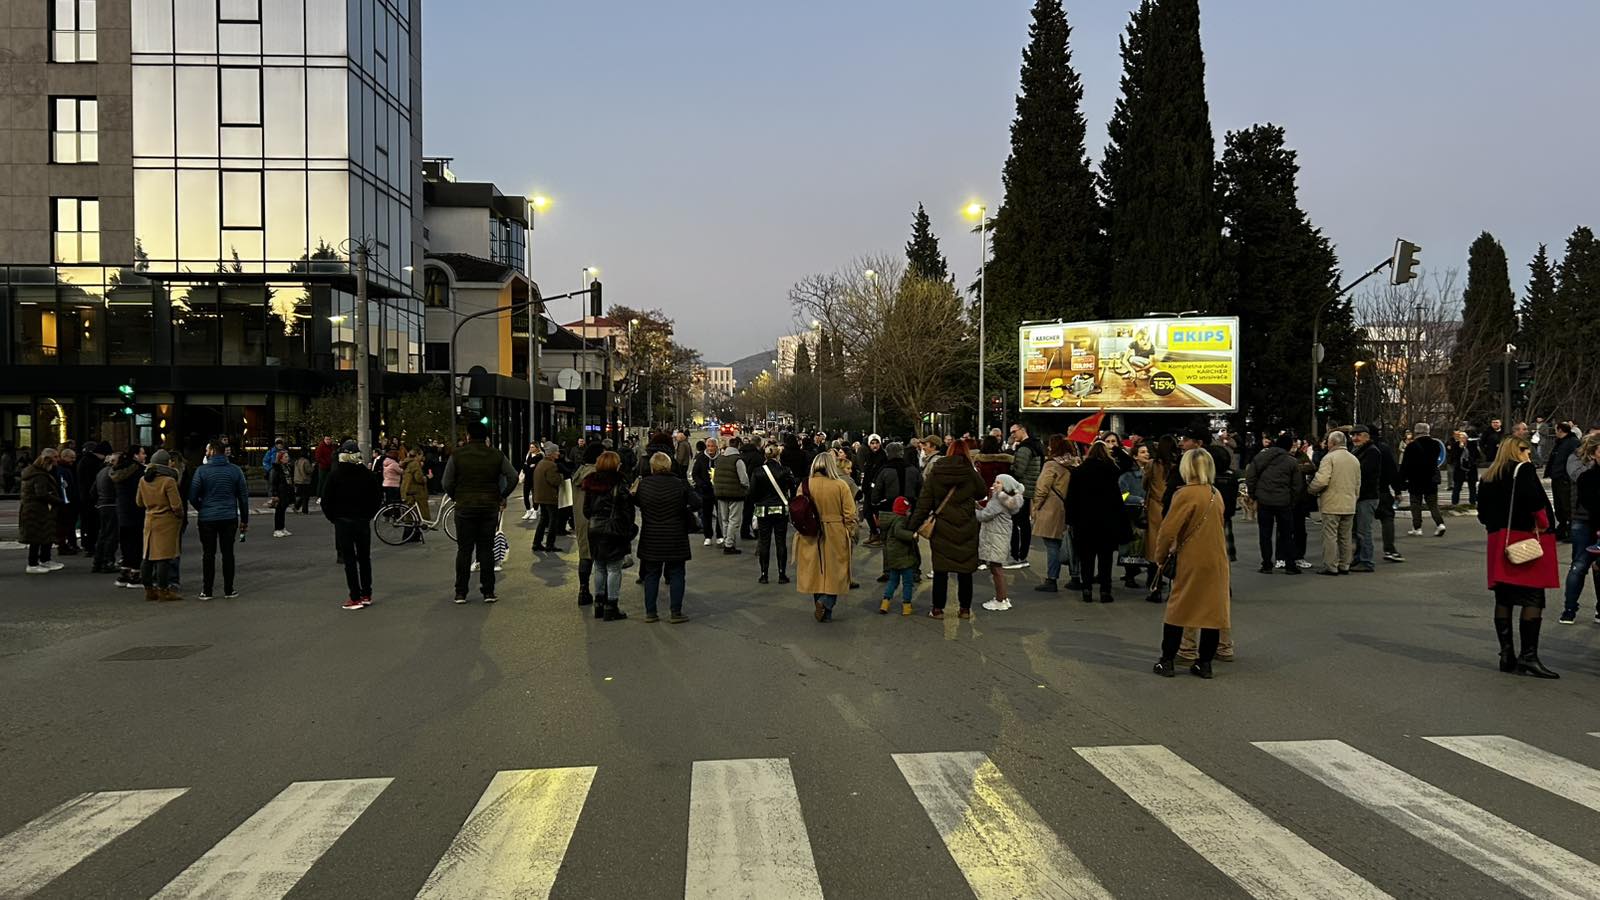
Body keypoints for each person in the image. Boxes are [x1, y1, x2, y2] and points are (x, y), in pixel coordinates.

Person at [1477, 437, 1559, 677]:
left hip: (1498, 541)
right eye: (1527, 450)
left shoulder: (1488, 476)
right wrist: (1544, 526)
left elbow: (1482, 514)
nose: (1529, 455)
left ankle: (1506, 654)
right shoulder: (1523, 471)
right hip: (1523, 540)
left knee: (1503, 598)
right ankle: (1528, 656)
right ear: (1518, 450)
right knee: (1532, 597)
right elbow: (1536, 503)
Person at [1151, 449, 1232, 679]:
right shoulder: (1216, 493)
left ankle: (1167, 661)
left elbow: (1168, 531)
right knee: (1212, 612)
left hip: (1191, 559)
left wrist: (1160, 557)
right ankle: (1204, 664)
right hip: (1216, 559)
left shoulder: (1185, 494)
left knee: (1179, 610)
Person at [911, 437, 986, 619]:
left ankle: (937, 609)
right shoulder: (970, 472)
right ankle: (965, 609)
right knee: (965, 571)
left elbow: (924, 502)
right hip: (966, 526)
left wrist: (912, 526)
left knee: (941, 570)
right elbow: (982, 492)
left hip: (942, 527)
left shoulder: (937, 471)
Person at [443, 422, 517, 604]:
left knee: (464, 550)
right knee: (486, 550)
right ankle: (488, 591)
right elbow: (513, 476)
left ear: (468, 436)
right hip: (489, 507)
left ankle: (461, 592)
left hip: (464, 507)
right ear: (485, 437)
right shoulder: (496, 455)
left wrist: (456, 496)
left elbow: (446, 482)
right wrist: (502, 495)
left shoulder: (457, 455)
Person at [1065, 441, 1133, 603]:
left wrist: (1070, 520)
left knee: (1086, 557)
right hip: (1107, 521)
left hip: (1084, 521)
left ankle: (1087, 588)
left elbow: (1071, 498)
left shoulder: (1079, 471)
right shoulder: (1111, 470)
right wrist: (1117, 448)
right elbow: (1129, 463)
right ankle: (1105, 590)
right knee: (1105, 558)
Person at [794, 451, 857, 622]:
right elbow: (850, 514)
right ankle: (826, 604)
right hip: (835, 530)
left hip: (811, 531)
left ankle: (820, 605)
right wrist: (850, 532)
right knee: (836, 572)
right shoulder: (840, 485)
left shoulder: (805, 484)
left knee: (815, 572)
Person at [635, 451, 697, 623]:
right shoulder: (680, 484)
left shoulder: (644, 485)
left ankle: (651, 612)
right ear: (669, 466)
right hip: (676, 536)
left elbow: (636, 502)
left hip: (651, 536)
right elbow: (696, 502)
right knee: (677, 573)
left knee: (651, 574)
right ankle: (675, 612)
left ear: (652, 467)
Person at [321, 441, 382, 610]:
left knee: (349, 560)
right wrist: (368, 515)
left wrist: (334, 518)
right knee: (364, 558)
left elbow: (326, 500)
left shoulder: (335, 474)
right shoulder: (367, 474)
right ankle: (366, 593)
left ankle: (354, 596)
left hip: (343, 521)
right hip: (362, 521)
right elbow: (377, 498)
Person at [187, 440, 250, 600]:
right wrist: (244, 519)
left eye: (208, 450)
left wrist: (203, 508)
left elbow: (193, 495)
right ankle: (229, 589)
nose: (206, 453)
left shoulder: (201, 471)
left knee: (208, 553)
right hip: (229, 516)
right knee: (228, 553)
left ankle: (207, 590)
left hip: (207, 517)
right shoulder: (235, 471)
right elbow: (243, 497)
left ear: (213, 452)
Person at [581, 450, 635, 621]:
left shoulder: (590, 483)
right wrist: (628, 529)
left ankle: (599, 603)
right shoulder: (620, 484)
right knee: (614, 568)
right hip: (614, 529)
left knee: (599, 566)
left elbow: (586, 510)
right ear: (614, 465)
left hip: (595, 528)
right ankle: (611, 606)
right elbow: (627, 511)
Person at [1245, 433, 1302, 574]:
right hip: (1284, 502)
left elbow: (1250, 477)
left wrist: (1253, 494)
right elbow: (1297, 485)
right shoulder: (1292, 462)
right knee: (1286, 534)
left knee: (1265, 534)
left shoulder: (1260, 457)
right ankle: (1290, 565)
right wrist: (1292, 500)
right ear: (1289, 446)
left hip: (1264, 501)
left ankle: (1266, 564)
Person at [1308, 431, 1360, 575]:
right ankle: (1345, 564)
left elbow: (1322, 480)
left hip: (1332, 503)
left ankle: (1331, 565)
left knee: (1330, 535)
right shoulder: (1354, 459)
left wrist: (1311, 489)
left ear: (1332, 443)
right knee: (1346, 536)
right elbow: (1358, 483)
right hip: (1349, 503)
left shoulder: (1329, 458)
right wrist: (1354, 497)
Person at [1561, 435, 1600, 624]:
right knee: (1579, 565)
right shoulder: (1581, 467)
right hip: (1584, 520)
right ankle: (1569, 608)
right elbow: (1588, 498)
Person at [137, 450, 184, 602]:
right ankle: (164, 590)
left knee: (148, 556)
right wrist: (179, 516)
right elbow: (176, 505)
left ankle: (149, 589)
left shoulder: (143, 480)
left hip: (150, 519)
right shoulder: (168, 481)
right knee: (164, 557)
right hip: (166, 521)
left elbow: (138, 502)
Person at [1031, 435, 1075, 593]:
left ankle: (1052, 579)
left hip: (1052, 506)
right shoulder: (1074, 463)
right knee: (1071, 543)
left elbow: (1042, 487)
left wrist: (1036, 507)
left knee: (1052, 544)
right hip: (1069, 506)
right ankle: (1075, 576)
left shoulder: (1051, 465)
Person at [749, 444, 796, 584]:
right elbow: (792, 488)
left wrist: (759, 501)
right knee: (781, 541)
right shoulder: (785, 470)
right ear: (778, 455)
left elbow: (752, 492)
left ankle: (764, 574)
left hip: (763, 509)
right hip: (780, 509)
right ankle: (782, 574)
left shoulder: (757, 471)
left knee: (764, 542)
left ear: (765, 456)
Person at [978, 474, 1026, 611]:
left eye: (998, 482)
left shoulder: (998, 500)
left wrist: (972, 511)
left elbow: (984, 516)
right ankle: (1003, 598)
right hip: (1001, 536)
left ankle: (1000, 599)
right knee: (997, 568)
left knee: (996, 569)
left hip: (995, 537)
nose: (994, 484)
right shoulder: (1007, 500)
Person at [19, 449, 62, 574]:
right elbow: (41, 493)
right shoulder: (39, 475)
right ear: (48, 459)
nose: (57, 459)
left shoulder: (34, 472)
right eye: (55, 457)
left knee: (43, 535)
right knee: (37, 537)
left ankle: (44, 559)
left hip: (34, 509)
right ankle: (33, 563)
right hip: (37, 509)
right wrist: (57, 500)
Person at [1008, 423, 1043, 568]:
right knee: (1024, 524)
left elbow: (1018, 471)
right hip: (1030, 488)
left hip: (1020, 489)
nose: (1012, 435)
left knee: (1015, 523)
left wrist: (1010, 466)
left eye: (1014, 432)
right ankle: (1023, 554)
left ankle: (1017, 556)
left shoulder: (1024, 448)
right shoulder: (1037, 445)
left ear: (1023, 430)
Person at [1402, 423, 1447, 537]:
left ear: (1416, 432)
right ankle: (1440, 524)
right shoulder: (1435, 445)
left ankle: (1417, 527)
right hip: (1431, 478)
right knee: (1432, 504)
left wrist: (1401, 480)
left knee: (1416, 504)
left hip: (1416, 479)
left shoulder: (1411, 446)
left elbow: (1406, 465)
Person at [112, 446, 147, 589]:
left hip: (122, 512)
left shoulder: (118, 471)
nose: (145, 456)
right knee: (137, 543)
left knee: (126, 543)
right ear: (135, 455)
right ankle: (135, 574)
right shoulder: (139, 472)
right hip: (137, 511)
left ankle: (124, 573)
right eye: (142, 453)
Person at [1349, 426, 1382, 572]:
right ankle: (1358, 558)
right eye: (1353, 435)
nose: (1355, 438)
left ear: (1367, 436)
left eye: (1358, 435)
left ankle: (1367, 561)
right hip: (1359, 496)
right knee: (1357, 532)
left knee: (1364, 531)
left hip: (1367, 496)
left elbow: (1364, 473)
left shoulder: (1372, 452)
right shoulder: (1357, 450)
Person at [879, 496, 919, 615]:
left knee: (893, 581)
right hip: (904, 558)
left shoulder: (891, 519)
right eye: (908, 510)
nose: (910, 512)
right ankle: (906, 606)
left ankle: (885, 603)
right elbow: (899, 532)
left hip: (893, 558)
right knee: (907, 582)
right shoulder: (901, 520)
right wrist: (912, 535)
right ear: (904, 511)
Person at [1118, 444, 1150, 587]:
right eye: (1142, 452)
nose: (1146, 454)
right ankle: (1130, 575)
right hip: (1133, 515)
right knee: (1132, 547)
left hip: (1148, 514)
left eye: (1147, 452)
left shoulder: (1151, 472)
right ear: (1135, 456)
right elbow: (1122, 495)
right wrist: (1139, 500)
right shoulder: (1127, 475)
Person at [712, 436, 750, 554]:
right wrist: (746, 489)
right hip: (735, 494)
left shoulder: (720, 459)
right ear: (738, 446)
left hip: (721, 493)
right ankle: (729, 545)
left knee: (724, 519)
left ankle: (726, 540)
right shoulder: (738, 460)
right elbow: (743, 479)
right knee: (734, 520)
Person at [1546, 421, 1579, 538]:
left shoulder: (1572, 442)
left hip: (1564, 478)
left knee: (1566, 504)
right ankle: (1562, 526)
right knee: (1559, 504)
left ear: (1560, 430)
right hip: (1557, 477)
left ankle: (1570, 528)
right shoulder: (1560, 443)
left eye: (1556, 430)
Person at [75, 442, 108, 559]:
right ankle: (91, 546)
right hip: (91, 498)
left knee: (88, 523)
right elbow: (92, 483)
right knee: (92, 523)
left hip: (85, 497)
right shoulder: (94, 464)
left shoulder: (83, 461)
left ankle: (88, 544)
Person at [530, 442, 564, 552]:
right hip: (550, 497)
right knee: (553, 520)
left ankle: (537, 543)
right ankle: (550, 544)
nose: (558, 453)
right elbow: (555, 481)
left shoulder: (541, 463)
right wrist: (560, 476)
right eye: (557, 452)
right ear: (552, 453)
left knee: (543, 519)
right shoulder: (551, 465)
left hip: (540, 496)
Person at [91, 449, 121, 573]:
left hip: (102, 504)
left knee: (103, 534)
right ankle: (108, 561)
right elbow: (118, 489)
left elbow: (92, 491)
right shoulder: (114, 473)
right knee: (112, 535)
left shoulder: (101, 472)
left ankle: (98, 561)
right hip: (112, 504)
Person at [691, 439, 722, 548]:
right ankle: (708, 536)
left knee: (720, 514)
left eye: (712, 446)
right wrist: (701, 484)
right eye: (708, 446)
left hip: (719, 491)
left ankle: (720, 535)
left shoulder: (721, 458)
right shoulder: (701, 458)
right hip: (705, 491)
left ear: (717, 447)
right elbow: (695, 474)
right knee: (706, 514)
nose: (710, 448)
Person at [400, 446, 430, 544]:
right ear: (417, 455)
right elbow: (419, 479)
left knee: (410, 514)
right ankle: (412, 536)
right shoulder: (415, 464)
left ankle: (410, 536)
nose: (422, 457)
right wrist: (427, 477)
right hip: (414, 491)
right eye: (421, 455)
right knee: (416, 514)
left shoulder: (408, 463)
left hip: (407, 490)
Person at [52, 447, 79, 556]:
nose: (73, 460)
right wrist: (66, 501)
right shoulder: (63, 470)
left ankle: (68, 544)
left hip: (67, 501)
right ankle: (63, 545)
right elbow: (64, 487)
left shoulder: (65, 469)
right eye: (71, 458)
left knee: (67, 524)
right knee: (64, 524)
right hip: (66, 502)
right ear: (64, 457)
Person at [739, 435, 765, 541]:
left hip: (742, 485)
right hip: (754, 486)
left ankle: (744, 530)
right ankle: (755, 530)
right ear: (758, 444)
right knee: (755, 510)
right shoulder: (758, 457)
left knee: (746, 510)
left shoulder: (742, 454)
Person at [1448, 430, 1480, 507]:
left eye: (1463, 437)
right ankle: (1454, 503)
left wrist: (1472, 461)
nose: (1462, 439)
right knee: (1457, 486)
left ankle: (1473, 502)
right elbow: (1453, 457)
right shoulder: (1455, 445)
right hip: (1460, 468)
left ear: (1466, 438)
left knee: (1472, 487)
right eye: (1460, 438)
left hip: (1471, 467)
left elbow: (1477, 455)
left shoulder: (1472, 444)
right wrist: (1460, 448)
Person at [268, 452, 295, 537]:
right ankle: (277, 529)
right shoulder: (276, 469)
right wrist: (274, 493)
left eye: (288, 456)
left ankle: (282, 528)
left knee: (283, 510)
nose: (288, 458)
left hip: (286, 491)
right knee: (279, 511)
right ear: (280, 458)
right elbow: (273, 482)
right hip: (280, 492)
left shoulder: (287, 467)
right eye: (286, 457)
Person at [293, 448, 315, 514]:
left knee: (301, 496)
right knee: (306, 496)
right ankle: (304, 510)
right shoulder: (306, 461)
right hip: (304, 480)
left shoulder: (297, 461)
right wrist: (313, 466)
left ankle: (296, 506)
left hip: (297, 480)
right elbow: (309, 471)